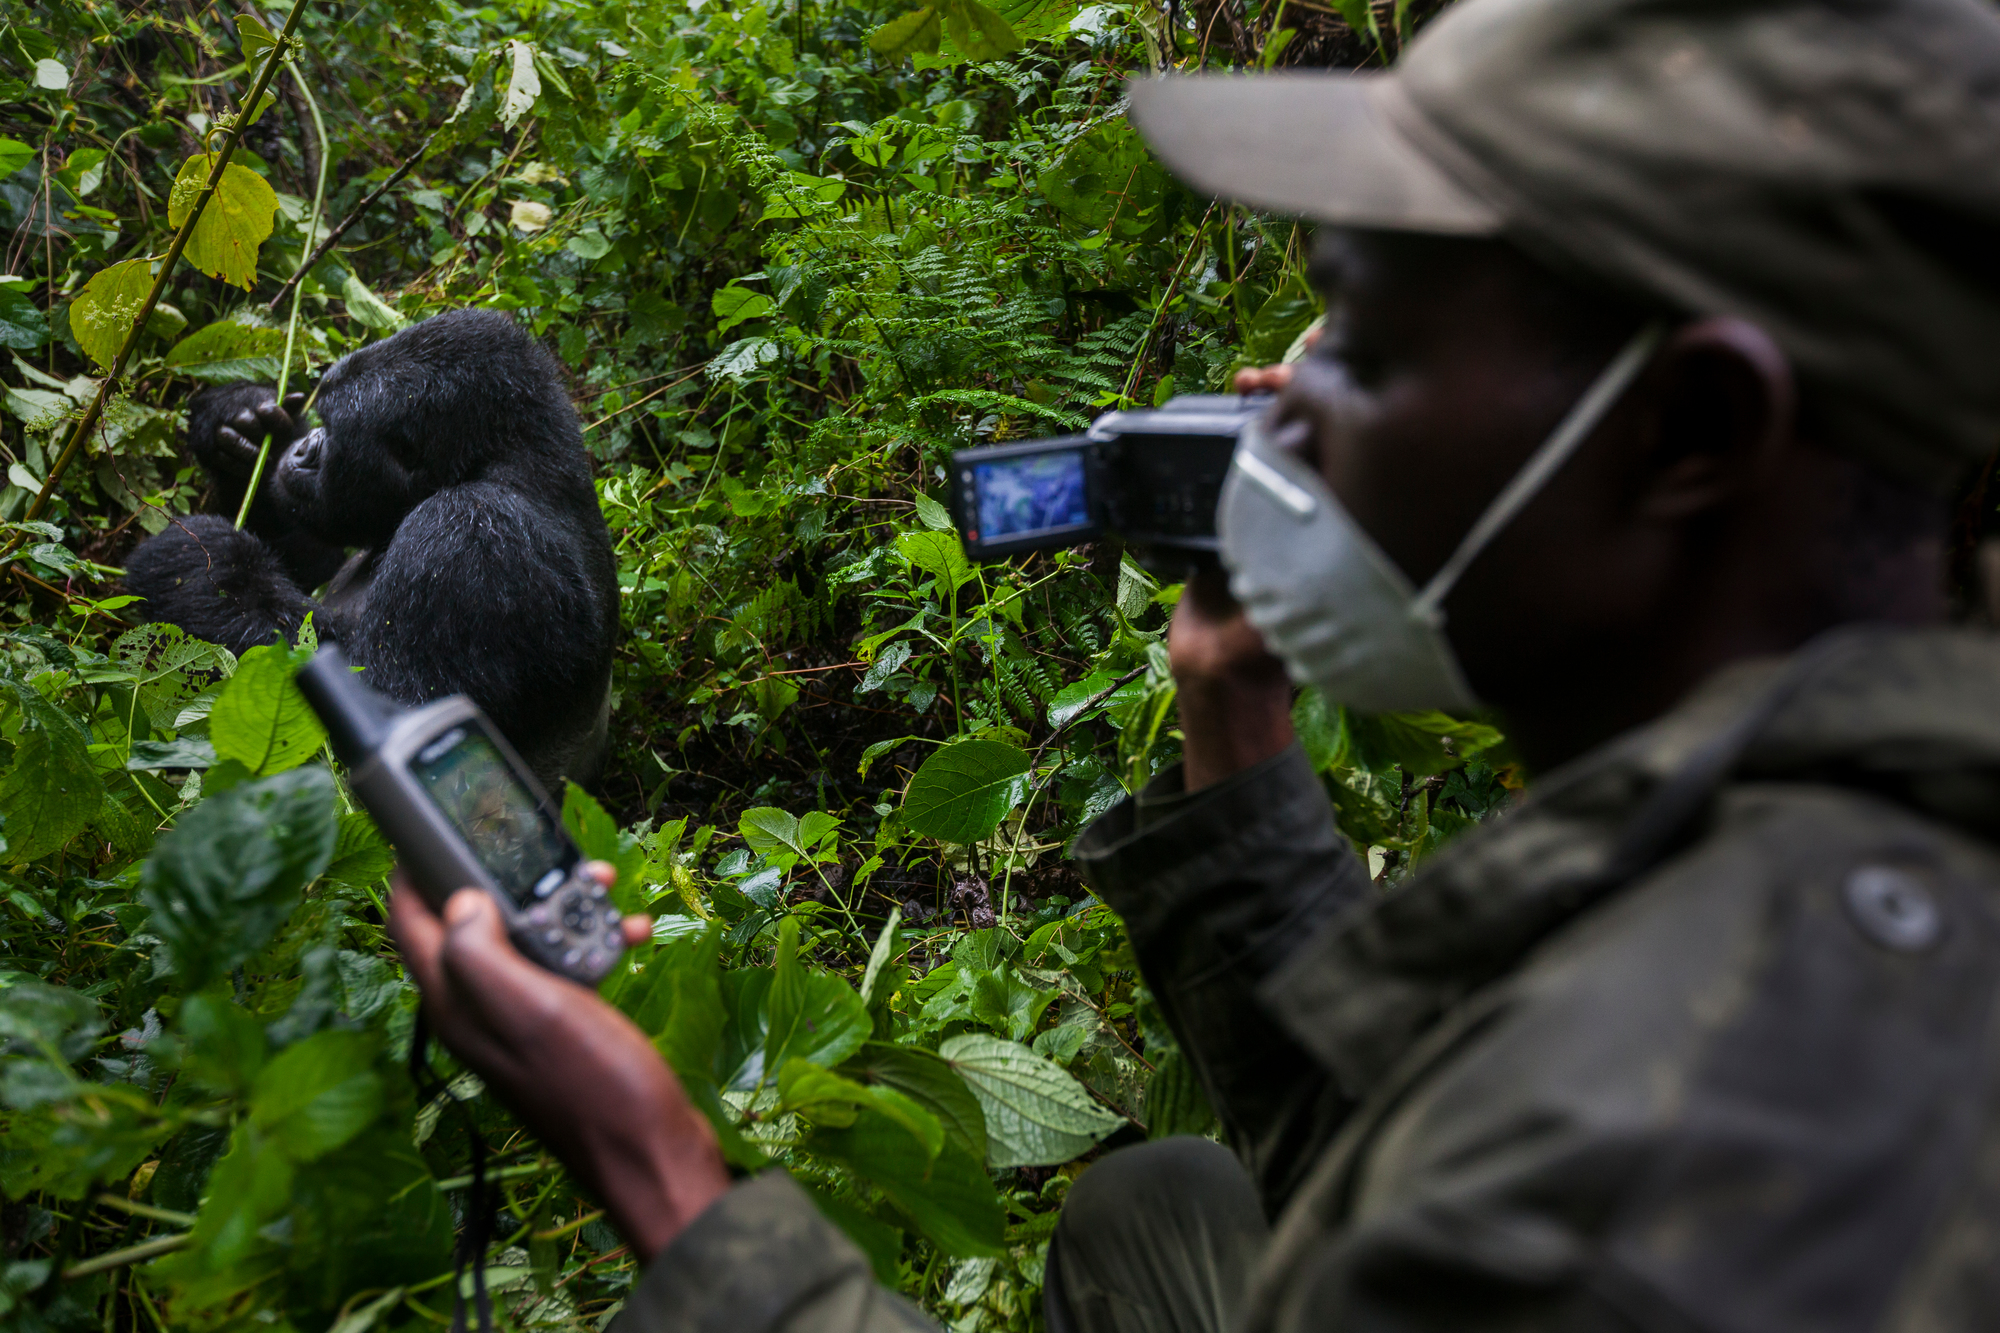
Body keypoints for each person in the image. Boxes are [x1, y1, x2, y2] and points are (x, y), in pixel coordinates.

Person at [391, 0, 2000, 1328]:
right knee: (1168, 1202)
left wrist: (668, 1179)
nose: (1284, 409)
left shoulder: (1692, 1143)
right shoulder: (1857, 757)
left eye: (1360, 347)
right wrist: (1234, 705)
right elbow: (1422, 1151)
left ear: (1691, 433)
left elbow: (1540, 1187)